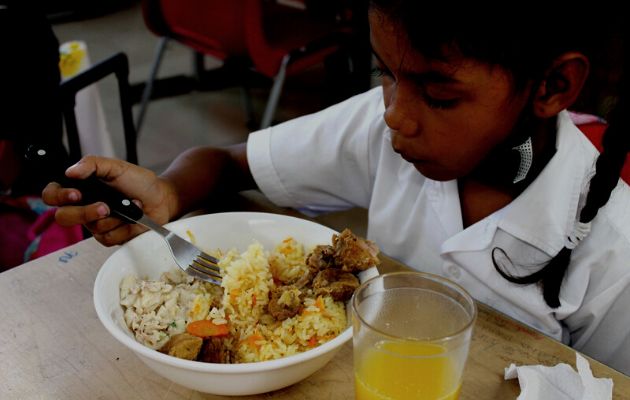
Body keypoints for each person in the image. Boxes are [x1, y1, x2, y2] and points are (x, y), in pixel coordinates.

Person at [43, 3, 629, 374]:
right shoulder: (384, 133)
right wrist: (167, 193)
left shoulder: (613, 247)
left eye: (440, 96)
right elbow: (223, 163)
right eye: (385, 75)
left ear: (552, 87)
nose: (396, 113)